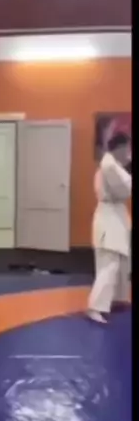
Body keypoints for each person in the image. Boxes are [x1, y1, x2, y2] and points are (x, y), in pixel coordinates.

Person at [87, 132, 132, 324]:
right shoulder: (109, 165)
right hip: (109, 219)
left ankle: (115, 299)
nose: (129, 153)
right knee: (109, 264)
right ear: (120, 148)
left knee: (120, 263)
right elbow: (125, 188)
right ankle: (95, 307)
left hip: (115, 216)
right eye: (127, 148)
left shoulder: (112, 165)